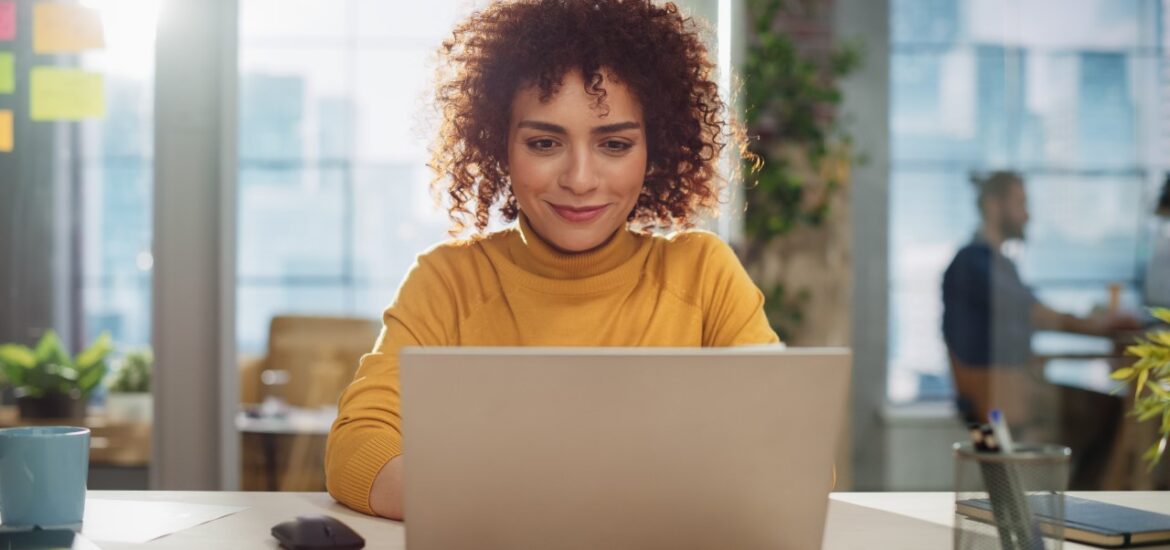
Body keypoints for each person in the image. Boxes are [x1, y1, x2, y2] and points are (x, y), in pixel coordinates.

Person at [325, 0, 779, 519]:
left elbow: (786, 458)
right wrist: (528, 507)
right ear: (499, 145)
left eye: (614, 144)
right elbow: (358, 447)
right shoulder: (447, 281)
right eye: (544, 142)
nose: (580, 179)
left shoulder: (702, 275)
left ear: (655, 149)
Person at [941, 170, 1138, 488]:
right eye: (1020, 203)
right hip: (998, 396)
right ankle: (1084, 509)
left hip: (1009, 388)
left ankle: (1075, 508)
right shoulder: (974, 262)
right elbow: (1035, 313)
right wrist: (1097, 326)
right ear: (994, 206)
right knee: (1111, 411)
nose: (1028, 214)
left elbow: (1025, 318)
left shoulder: (996, 263)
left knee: (1105, 412)